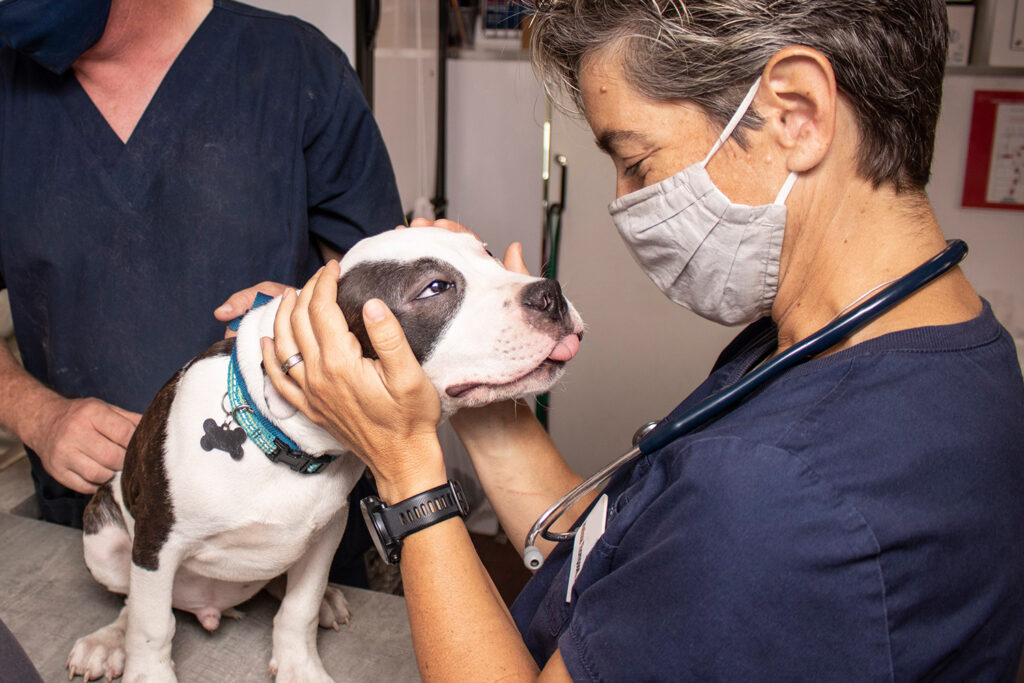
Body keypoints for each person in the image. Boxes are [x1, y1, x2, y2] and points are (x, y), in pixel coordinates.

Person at [263, 0, 1024, 679]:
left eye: (635, 160)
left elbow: (740, 527)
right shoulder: (937, 351)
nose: (626, 202)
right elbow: (617, 559)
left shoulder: (783, 495)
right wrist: (484, 365)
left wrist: (407, 475)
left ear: (796, 113)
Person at [0, 0, 402, 584]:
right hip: (103, 536)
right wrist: (34, 414)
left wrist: (305, 318)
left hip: (293, 546)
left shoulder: (296, 68)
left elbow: (385, 305)